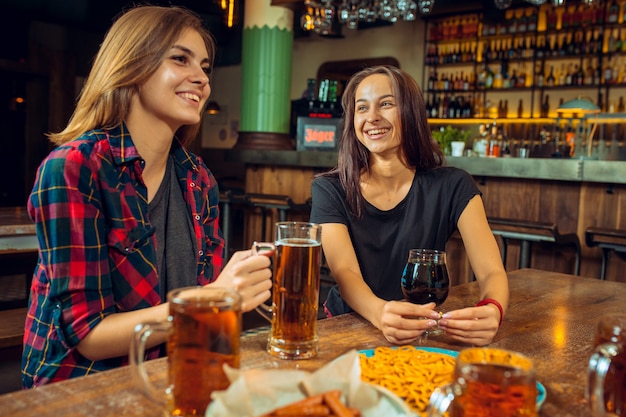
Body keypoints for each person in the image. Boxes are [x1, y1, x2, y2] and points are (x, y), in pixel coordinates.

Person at [21, 5, 272, 388]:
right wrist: (214, 299)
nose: (201, 79)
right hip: (82, 387)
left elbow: (204, 314)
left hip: (174, 375)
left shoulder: (199, 179)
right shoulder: (73, 168)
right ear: (131, 66)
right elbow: (89, 336)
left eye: (205, 67)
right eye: (180, 59)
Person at [310, 65, 509, 347]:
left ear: (411, 111)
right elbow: (345, 273)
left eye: (386, 104)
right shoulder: (330, 188)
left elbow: (491, 271)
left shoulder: (453, 185)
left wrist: (493, 308)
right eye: (362, 108)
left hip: (421, 328)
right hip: (348, 325)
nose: (372, 118)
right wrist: (380, 313)